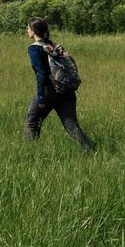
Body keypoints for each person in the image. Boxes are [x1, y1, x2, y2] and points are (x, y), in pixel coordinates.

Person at [24, 17, 93, 150]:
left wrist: (40, 97)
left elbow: (41, 74)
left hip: (49, 90)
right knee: (71, 124)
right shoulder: (55, 46)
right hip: (67, 90)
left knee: (32, 122)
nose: (27, 30)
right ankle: (90, 149)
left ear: (33, 31)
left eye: (28, 28)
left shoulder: (34, 49)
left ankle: (31, 153)